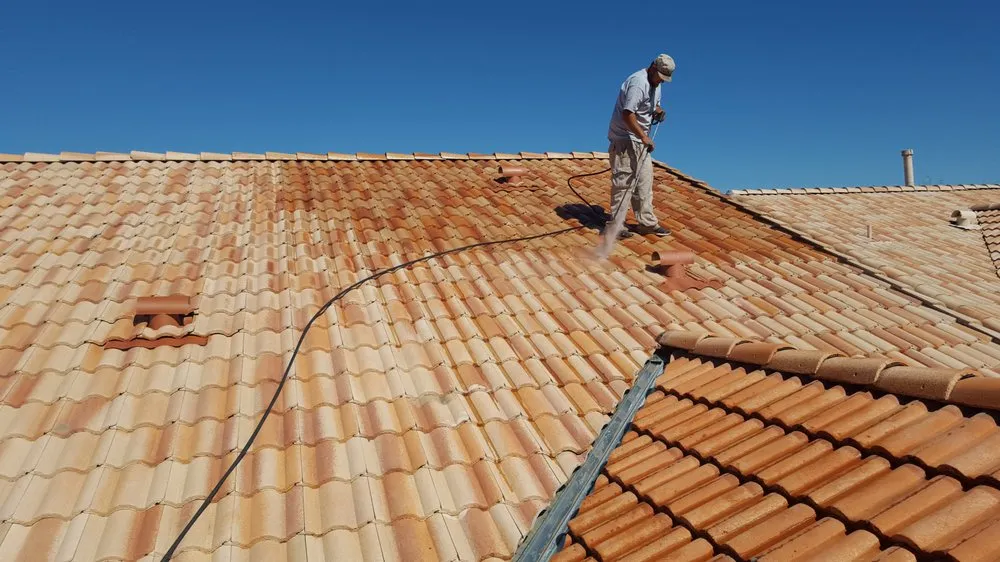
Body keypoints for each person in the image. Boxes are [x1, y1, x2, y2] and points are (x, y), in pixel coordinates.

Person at [605, 54, 674, 239]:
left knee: (644, 182)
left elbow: (654, 105)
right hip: (625, 139)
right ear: (652, 66)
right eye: (659, 76)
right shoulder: (638, 82)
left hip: (639, 142)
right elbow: (628, 114)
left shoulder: (656, 85)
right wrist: (643, 136)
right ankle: (615, 227)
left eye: (664, 79)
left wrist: (658, 111)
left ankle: (647, 223)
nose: (661, 81)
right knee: (624, 184)